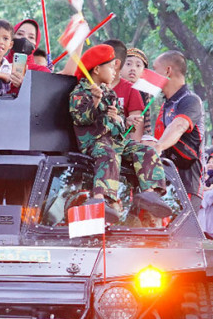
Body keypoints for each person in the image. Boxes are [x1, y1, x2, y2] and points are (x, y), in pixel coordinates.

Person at [68, 44, 170, 220]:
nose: (115, 70)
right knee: (108, 154)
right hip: (95, 142)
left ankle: (149, 193)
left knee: (146, 150)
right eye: (110, 66)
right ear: (97, 69)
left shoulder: (110, 93)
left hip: (117, 140)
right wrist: (94, 101)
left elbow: (119, 124)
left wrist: (122, 120)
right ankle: (100, 199)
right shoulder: (79, 92)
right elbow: (81, 118)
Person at [151, 51, 205, 210]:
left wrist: (158, 146)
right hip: (165, 183)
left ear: (167, 71)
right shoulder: (166, 104)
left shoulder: (190, 100)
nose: (153, 75)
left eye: (155, 69)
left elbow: (179, 125)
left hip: (186, 186)